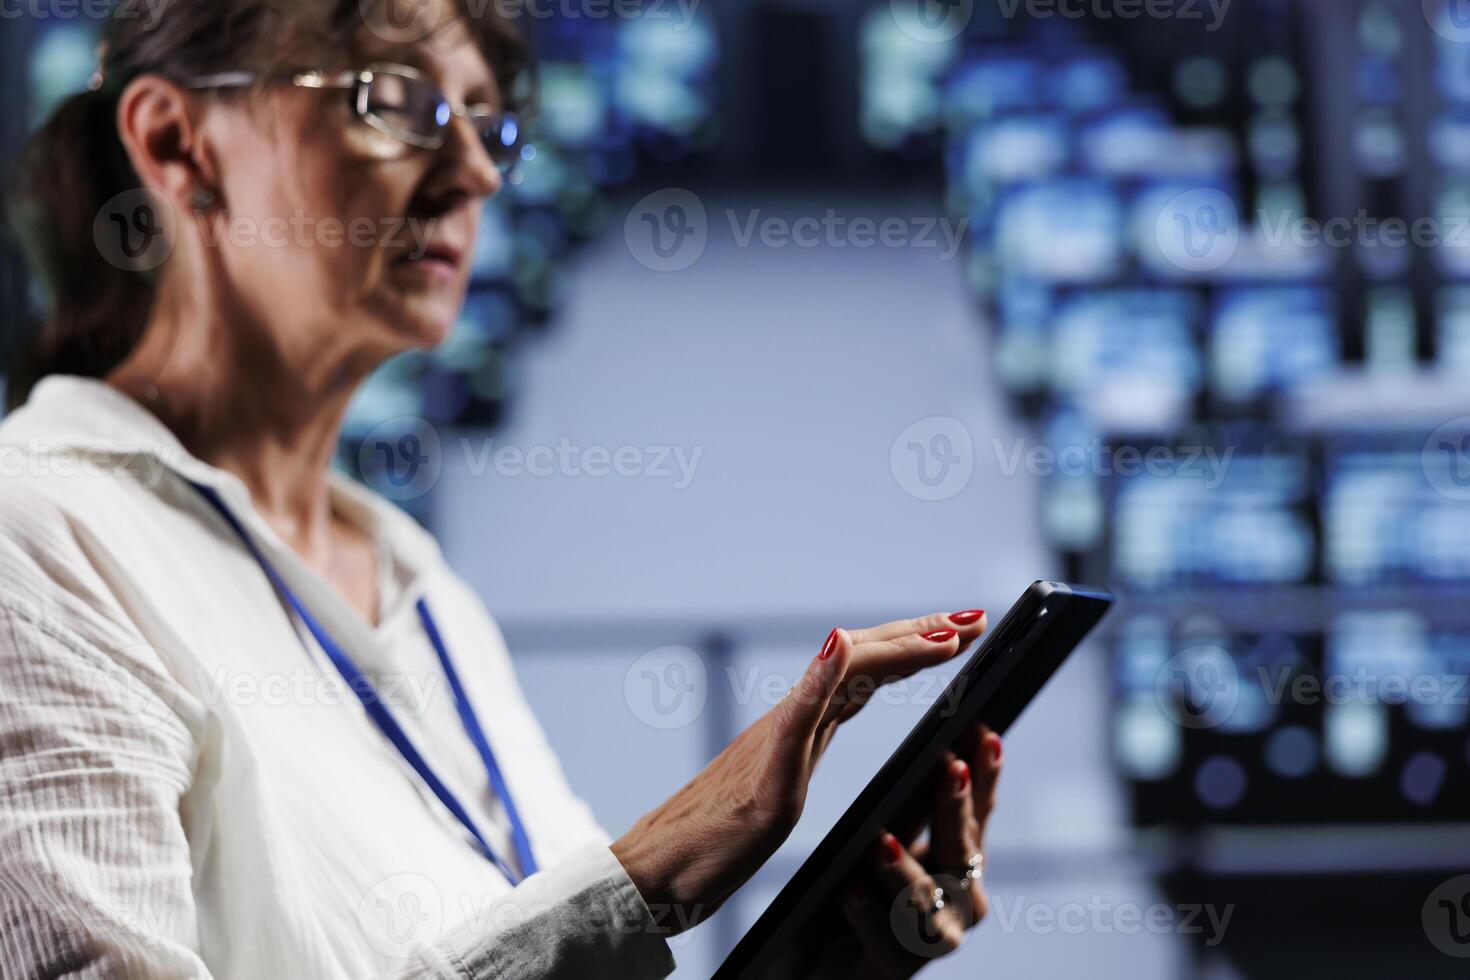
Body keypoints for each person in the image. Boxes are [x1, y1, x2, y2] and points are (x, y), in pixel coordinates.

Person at [0, 1, 1004, 976]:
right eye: (396, 101)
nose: (474, 170)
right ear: (177, 144)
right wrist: (650, 869)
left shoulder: (425, 588)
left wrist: (811, 966)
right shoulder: (38, 535)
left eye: (488, 123)